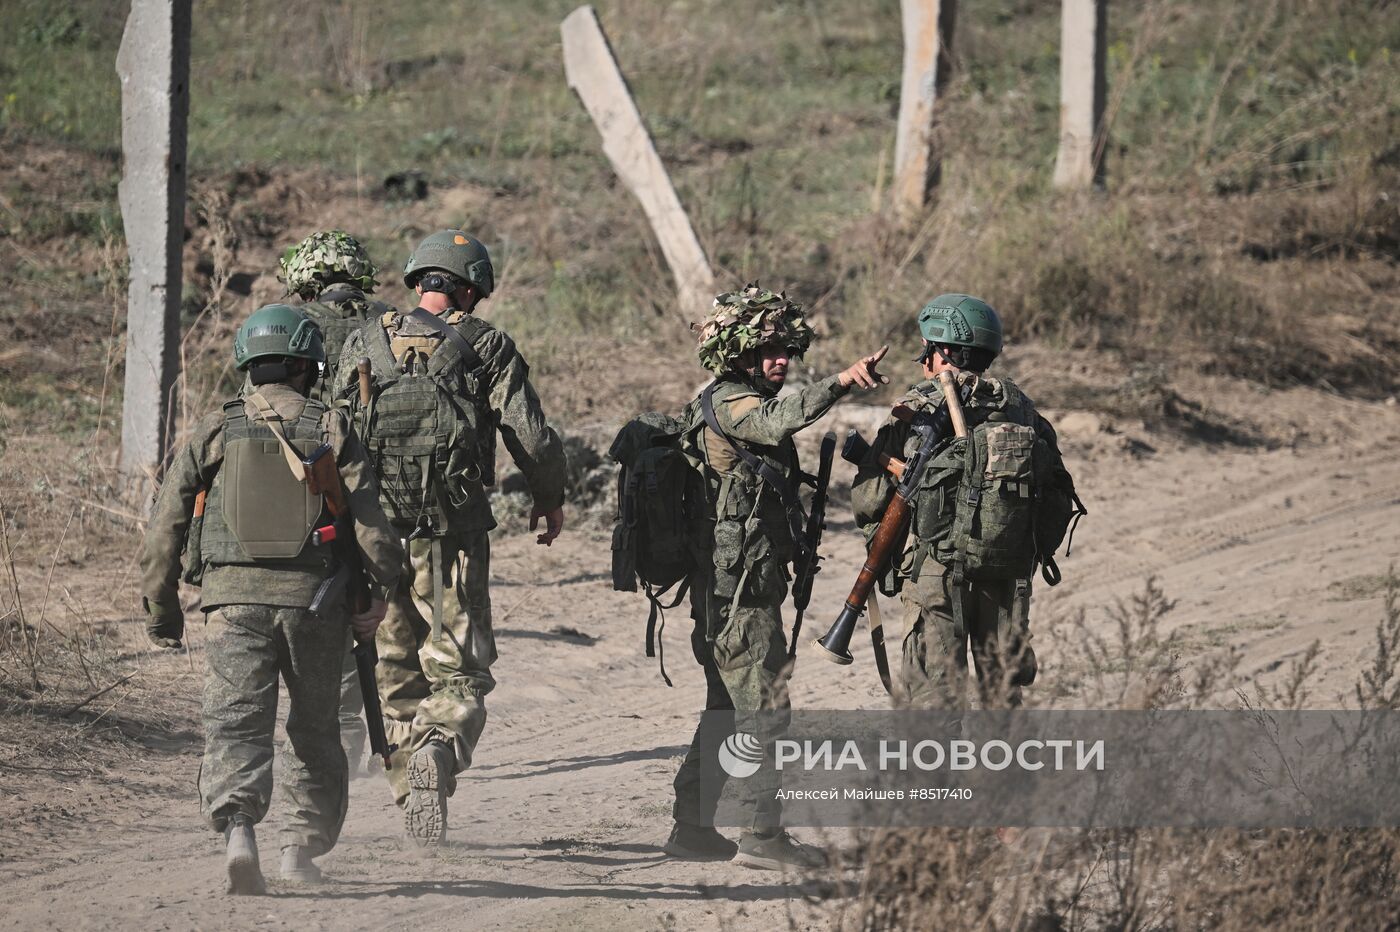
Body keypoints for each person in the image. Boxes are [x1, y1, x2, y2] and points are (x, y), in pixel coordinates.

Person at [138, 304, 402, 893]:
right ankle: (300, 851)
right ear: (309, 365)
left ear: (248, 363)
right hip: (316, 603)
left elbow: (165, 528)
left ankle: (238, 832)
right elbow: (370, 524)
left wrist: (163, 611)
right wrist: (384, 588)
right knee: (314, 728)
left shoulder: (214, 428)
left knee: (235, 724)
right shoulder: (331, 427)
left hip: (231, 606)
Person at [339, 229, 567, 846]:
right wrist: (550, 498)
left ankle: (412, 791)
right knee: (459, 667)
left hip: (373, 537)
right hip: (452, 535)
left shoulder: (363, 341)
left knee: (393, 670)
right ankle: (440, 748)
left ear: (417, 281)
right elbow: (533, 438)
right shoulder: (485, 344)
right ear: (470, 287)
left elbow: (329, 438)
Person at [665, 284, 888, 870]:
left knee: (726, 705)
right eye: (767, 350)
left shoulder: (735, 400)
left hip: (740, 585)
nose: (781, 360)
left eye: (787, 348)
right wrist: (839, 383)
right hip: (734, 593)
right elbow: (777, 421)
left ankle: (691, 827)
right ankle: (763, 837)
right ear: (735, 353)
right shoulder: (732, 404)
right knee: (764, 708)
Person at [850, 294, 1079, 711]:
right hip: (1006, 572)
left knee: (933, 704)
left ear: (940, 351)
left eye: (926, 348)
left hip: (934, 573)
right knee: (1001, 701)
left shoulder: (917, 406)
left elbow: (869, 499)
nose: (923, 360)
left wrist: (885, 552)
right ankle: (1002, 777)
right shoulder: (1022, 409)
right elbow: (1057, 493)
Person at [279, 229, 395, 774]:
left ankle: (343, 731)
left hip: (318, 480)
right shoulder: (390, 321)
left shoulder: (291, 326)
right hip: (389, 486)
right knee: (380, 606)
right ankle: (393, 729)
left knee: (330, 599)